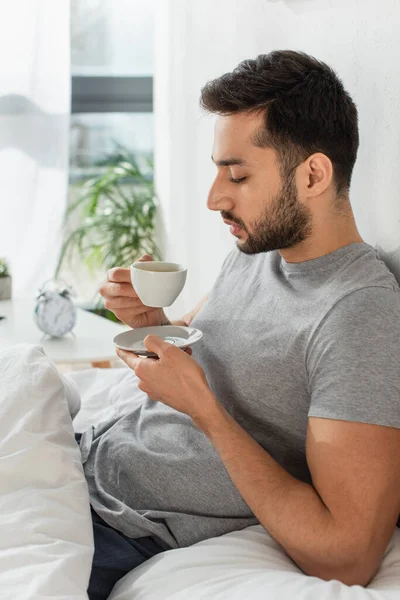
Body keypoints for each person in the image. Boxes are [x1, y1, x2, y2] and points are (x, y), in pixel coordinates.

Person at [79, 50, 400, 599]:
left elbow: (349, 554)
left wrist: (205, 411)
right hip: (83, 462)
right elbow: (209, 345)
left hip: (121, 528)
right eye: (217, 170)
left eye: (238, 174)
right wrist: (149, 320)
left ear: (314, 175)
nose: (214, 198)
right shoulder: (258, 251)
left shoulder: (358, 315)